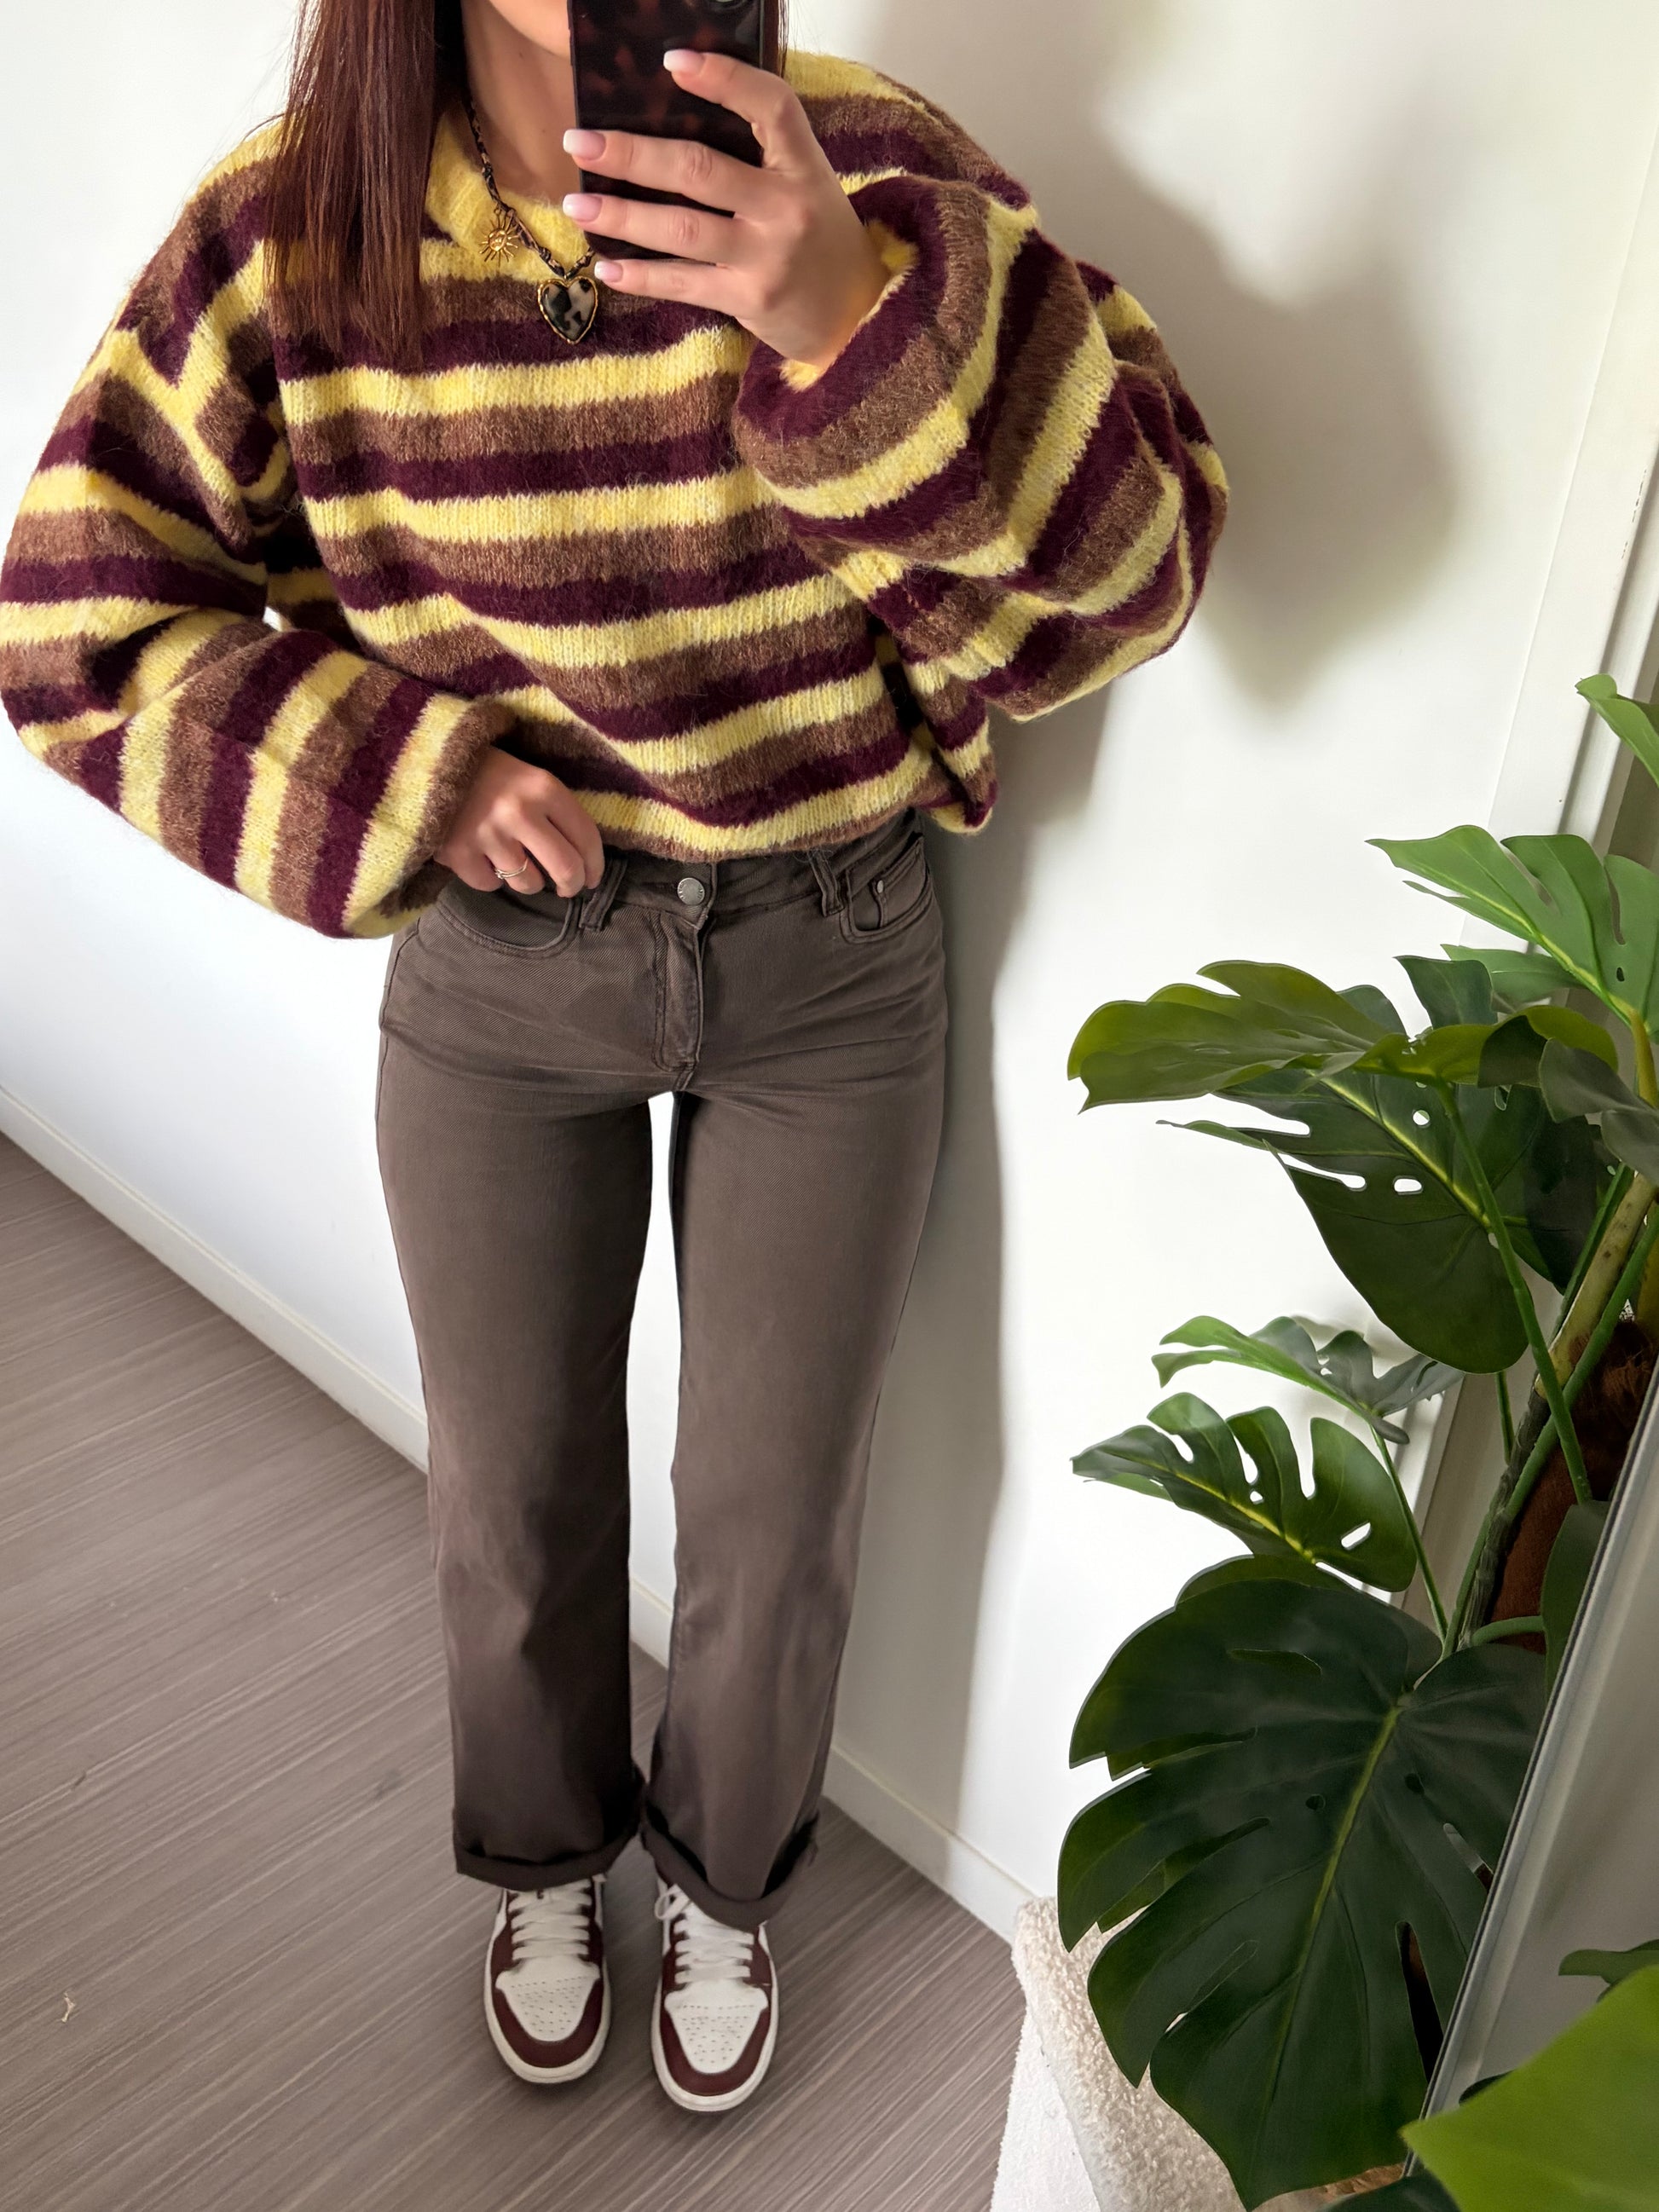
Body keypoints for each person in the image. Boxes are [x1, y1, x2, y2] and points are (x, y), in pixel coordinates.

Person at [0, 0, 1225, 2117]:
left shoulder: (872, 169)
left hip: (831, 950)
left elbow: (1135, 575)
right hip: (502, 975)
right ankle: (544, 1861)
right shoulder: (297, 234)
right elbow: (72, 621)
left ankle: (725, 1878)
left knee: (775, 1507)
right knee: (510, 1491)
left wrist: (844, 316)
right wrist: (405, 772)